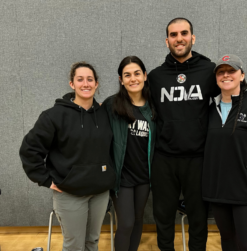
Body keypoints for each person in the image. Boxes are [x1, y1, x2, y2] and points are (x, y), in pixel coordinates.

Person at [148, 17, 247, 251]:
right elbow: (139, 106)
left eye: (184, 33)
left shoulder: (208, 69)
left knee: (199, 221)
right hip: (164, 158)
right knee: (163, 219)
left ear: (192, 38)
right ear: (167, 40)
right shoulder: (156, 77)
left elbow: (233, 87)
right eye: (174, 35)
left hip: (199, 159)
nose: (179, 39)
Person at [19, 62, 115, 251]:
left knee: (92, 242)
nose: (85, 84)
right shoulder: (54, 116)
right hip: (70, 193)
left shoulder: (106, 114)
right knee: (74, 246)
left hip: (100, 192)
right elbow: (29, 149)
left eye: (90, 79)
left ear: (97, 84)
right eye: (80, 79)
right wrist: (45, 179)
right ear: (72, 84)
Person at [202, 54, 247, 251]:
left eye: (231, 71)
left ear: (241, 75)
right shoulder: (209, 110)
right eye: (221, 72)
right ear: (216, 78)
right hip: (218, 194)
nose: (226, 75)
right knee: (227, 242)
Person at [102, 56, 156, 251]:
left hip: (144, 176)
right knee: (125, 223)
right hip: (122, 176)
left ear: (145, 76)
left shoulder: (153, 107)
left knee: (138, 220)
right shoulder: (111, 105)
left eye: (137, 73)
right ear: (120, 79)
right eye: (127, 75)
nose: (133, 79)